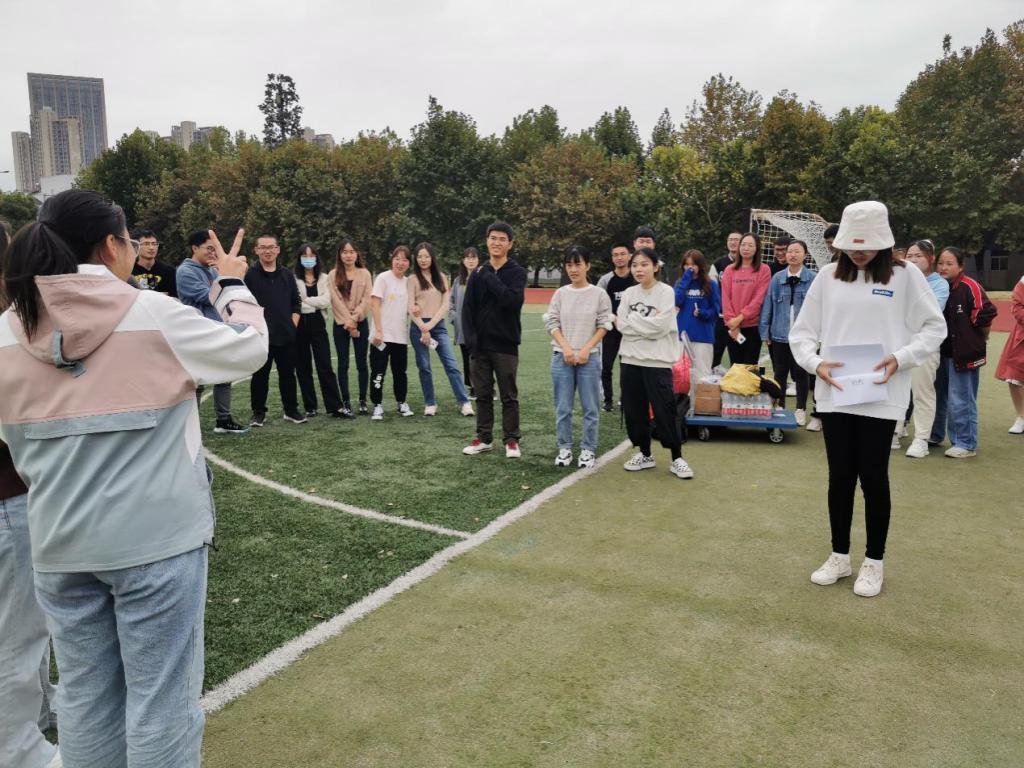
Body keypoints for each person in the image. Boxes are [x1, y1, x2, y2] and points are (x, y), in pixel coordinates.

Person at [0, 189, 268, 767]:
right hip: (157, 542)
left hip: (59, 543)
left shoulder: (6, 331)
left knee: (85, 699)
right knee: (161, 703)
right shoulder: (151, 314)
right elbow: (249, 349)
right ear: (110, 246)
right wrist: (232, 283)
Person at [790, 201, 946, 597]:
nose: (859, 253)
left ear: (884, 241)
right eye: (852, 246)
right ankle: (839, 555)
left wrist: (901, 357)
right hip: (836, 392)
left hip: (883, 393)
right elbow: (802, 333)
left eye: (868, 245)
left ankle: (874, 561)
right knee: (840, 476)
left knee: (874, 477)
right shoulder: (828, 277)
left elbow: (934, 327)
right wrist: (816, 363)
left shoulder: (906, 275)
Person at [0, 219, 59, 768]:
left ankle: (38, 712)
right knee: (16, 635)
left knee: (27, 625)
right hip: (8, 495)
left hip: (18, 492)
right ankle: (19, 751)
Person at [617, 248, 693, 479]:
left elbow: (660, 327)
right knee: (634, 410)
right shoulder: (629, 293)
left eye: (644, 264)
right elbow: (621, 324)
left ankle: (677, 457)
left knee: (665, 410)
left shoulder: (666, 292)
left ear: (655, 267)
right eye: (635, 265)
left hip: (658, 362)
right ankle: (645, 453)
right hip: (630, 359)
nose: (638, 269)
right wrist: (643, 325)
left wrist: (634, 321)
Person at [461, 221, 528, 458]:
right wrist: (471, 341)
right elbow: (467, 309)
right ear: (487, 241)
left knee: (508, 395)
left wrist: (490, 276)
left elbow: (511, 301)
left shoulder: (516, 272)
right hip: (479, 347)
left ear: (510, 244)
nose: (496, 242)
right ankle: (484, 438)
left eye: (502, 239)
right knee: (482, 395)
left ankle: (511, 440)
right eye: (493, 238)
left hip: (505, 345)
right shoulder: (477, 274)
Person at [544, 246, 613, 469]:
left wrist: (586, 349)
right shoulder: (560, 294)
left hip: (589, 359)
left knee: (591, 408)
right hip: (561, 357)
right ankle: (564, 447)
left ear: (587, 266)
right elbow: (552, 322)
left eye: (578, 264)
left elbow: (604, 324)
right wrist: (566, 348)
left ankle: (588, 449)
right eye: (569, 265)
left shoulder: (599, 294)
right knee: (563, 408)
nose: (573, 269)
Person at [177, 228, 249, 434]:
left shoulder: (213, 270)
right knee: (197, 381)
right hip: (198, 333)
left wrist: (224, 276)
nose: (213, 253)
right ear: (194, 248)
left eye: (215, 249)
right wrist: (228, 277)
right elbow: (211, 296)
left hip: (219, 329)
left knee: (224, 376)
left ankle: (223, 420)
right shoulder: (185, 271)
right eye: (209, 248)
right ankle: (191, 425)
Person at [930, 246, 997, 458]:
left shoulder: (970, 286)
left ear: (960, 266)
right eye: (940, 263)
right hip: (940, 352)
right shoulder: (936, 286)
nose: (943, 267)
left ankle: (965, 443)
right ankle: (935, 434)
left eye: (949, 263)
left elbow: (986, 313)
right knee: (937, 395)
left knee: (961, 398)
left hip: (965, 353)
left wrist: (980, 337)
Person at [408, 242, 473, 417]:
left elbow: (445, 304)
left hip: (437, 327)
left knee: (451, 365)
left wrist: (430, 325)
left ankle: (464, 402)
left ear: (432, 258)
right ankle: (430, 403)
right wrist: (423, 327)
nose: (423, 260)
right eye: (420, 256)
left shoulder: (442, 277)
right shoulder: (412, 279)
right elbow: (410, 306)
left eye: (426, 256)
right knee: (424, 367)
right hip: (418, 328)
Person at [245, 234, 305, 426]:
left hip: (285, 335)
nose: (267, 251)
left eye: (271, 247)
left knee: (287, 375)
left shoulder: (287, 274)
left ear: (278, 249)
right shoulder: (250, 275)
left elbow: (296, 302)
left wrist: (292, 325)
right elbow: (244, 304)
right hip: (260, 335)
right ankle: (258, 413)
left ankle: (291, 410)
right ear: (256, 250)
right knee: (260, 376)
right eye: (263, 247)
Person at [759, 240, 816, 424]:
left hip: (803, 335)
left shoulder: (813, 278)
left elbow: (819, 307)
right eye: (790, 251)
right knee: (780, 372)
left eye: (797, 251)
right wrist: (765, 331)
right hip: (779, 334)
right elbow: (768, 304)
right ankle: (780, 406)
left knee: (801, 372)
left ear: (805, 255)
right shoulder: (777, 278)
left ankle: (801, 409)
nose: (792, 254)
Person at [901, 240, 949, 457]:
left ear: (931, 258)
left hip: (925, 346)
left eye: (918, 256)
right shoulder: (900, 280)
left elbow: (931, 312)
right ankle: (895, 431)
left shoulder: (939, 284)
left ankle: (921, 439)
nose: (912, 260)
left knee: (922, 392)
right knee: (898, 390)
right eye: (909, 256)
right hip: (900, 344)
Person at [293, 244, 347, 418]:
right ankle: (310, 406)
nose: (308, 259)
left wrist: (306, 300)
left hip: (318, 323)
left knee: (325, 365)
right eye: (305, 256)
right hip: (299, 324)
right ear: (299, 259)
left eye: (312, 255)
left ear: (316, 258)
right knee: (303, 367)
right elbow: (295, 302)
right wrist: (310, 302)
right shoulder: (293, 278)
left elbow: (326, 301)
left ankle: (335, 406)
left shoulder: (324, 278)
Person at [328, 238, 373, 415]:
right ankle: (345, 401)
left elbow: (367, 299)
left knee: (362, 362)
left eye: (351, 252)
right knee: (343, 363)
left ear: (357, 254)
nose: (348, 255)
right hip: (341, 324)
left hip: (360, 323)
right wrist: (348, 321)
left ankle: (362, 400)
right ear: (340, 255)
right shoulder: (333, 275)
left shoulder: (365, 274)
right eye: (345, 252)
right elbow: (335, 301)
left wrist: (354, 319)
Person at [369, 245, 414, 420]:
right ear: (392, 260)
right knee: (378, 372)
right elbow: (374, 305)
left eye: (404, 260)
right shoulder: (383, 278)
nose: (400, 263)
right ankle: (377, 405)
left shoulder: (409, 282)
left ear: (408, 263)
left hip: (400, 336)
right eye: (397, 259)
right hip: (381, 336)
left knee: (400, 373)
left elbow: (411, 306)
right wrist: (379, 331)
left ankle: (401, 403)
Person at [673, 249, 720, 410]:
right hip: (682, 336)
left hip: (703, 336)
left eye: (693, 264)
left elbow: (716, 311)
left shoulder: (711, 284)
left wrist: (702, 313)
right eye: (686, 265)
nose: (690, 268)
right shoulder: (680, 283)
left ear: (700, 265)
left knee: (702, 374)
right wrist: (686, 278)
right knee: (681, 375)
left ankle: (701, 408)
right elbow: (676, 301)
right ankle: (681, 409)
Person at [596, 242, 636, 411]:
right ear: (612, 258)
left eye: (622, 254)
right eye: (616, 255)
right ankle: (608, 400)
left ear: (629, 256)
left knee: (627, 367)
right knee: (606, 366)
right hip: (610, 330)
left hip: (630, 330)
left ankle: (625, 399)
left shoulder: (635, 278)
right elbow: (598, 303)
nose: (619, 258)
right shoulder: (606, 280)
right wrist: (611, 319)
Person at [720, 232, 771, 365]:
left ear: (757, 248)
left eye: (750, 245)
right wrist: (732, 323)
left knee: (749, 367)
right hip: (732, 327)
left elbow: (758, 299)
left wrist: (740, 318)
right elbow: (725, 298)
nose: (746, 248)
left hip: (752, 327)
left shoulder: (764, 270)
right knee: (735, 367)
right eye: (743, 245)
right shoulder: (729, 270)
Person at [995, 272, 1024, 434]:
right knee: (1014, 377)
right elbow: (1017, 307)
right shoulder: (1023, 282)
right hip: (1022, 337)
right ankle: (1022, 417)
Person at [449, 247, 479, 399]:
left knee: (480, 358)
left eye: (473, 257)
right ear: (463, 260)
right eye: (468, 258)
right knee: (466, 358)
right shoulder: (458, 281)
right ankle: (472, 386)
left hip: (479, 328)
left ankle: (485, 386)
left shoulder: (483, 278)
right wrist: (454, 318)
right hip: (462, 327)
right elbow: (451, 302)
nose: (470, 260)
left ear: (478, 260)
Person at [712, 232, 741, 367]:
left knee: (738, 352)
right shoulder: (718, 264)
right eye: (730, 239)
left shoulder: (749, 264)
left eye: (736, 240)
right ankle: (713, 374)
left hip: (741, 318)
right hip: (721, 316)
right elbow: (712, 289)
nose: (733, 242)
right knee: (716, 350)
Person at [131, 229, 177, 297]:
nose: (151, 248)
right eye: (146, 244)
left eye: (154, 244)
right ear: (136, 247)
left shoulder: (168, 271)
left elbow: (174, 297)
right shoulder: (129, 271)